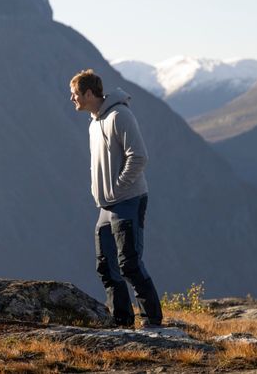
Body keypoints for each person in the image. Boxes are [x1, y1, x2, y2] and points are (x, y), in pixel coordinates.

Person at [69, 69, 163, 328]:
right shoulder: (94, 122)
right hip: (107, 205)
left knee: (129, 263)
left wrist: (118, 188)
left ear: (89, 93)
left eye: (75, 93)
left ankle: (152, 321)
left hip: (128, 200)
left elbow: (139, 156)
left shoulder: (120, 115)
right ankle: (121, 321)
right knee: (106, 265)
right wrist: (99, 192)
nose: (72, 98)